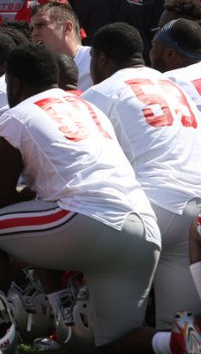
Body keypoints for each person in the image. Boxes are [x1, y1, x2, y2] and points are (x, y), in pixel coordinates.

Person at [0, 44, 189, 353]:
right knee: (109, 343)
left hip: (87, 220)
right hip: (143, 227)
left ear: (14, 84)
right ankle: (176, 342)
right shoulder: (89, 106)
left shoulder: (18, 115)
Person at [82, 22, 201, 329]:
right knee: (179, 326)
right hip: (194, 211)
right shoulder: (177, 86)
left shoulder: (100, 92)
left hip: (150, 209)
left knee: (112, 337)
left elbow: (87, 166)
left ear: (101, 58)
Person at [29, 0, 93, 91]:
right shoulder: (37, 73)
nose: (33, 33)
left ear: (67, 28)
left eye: (40, 25)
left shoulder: (94, 60)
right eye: (31, 29)